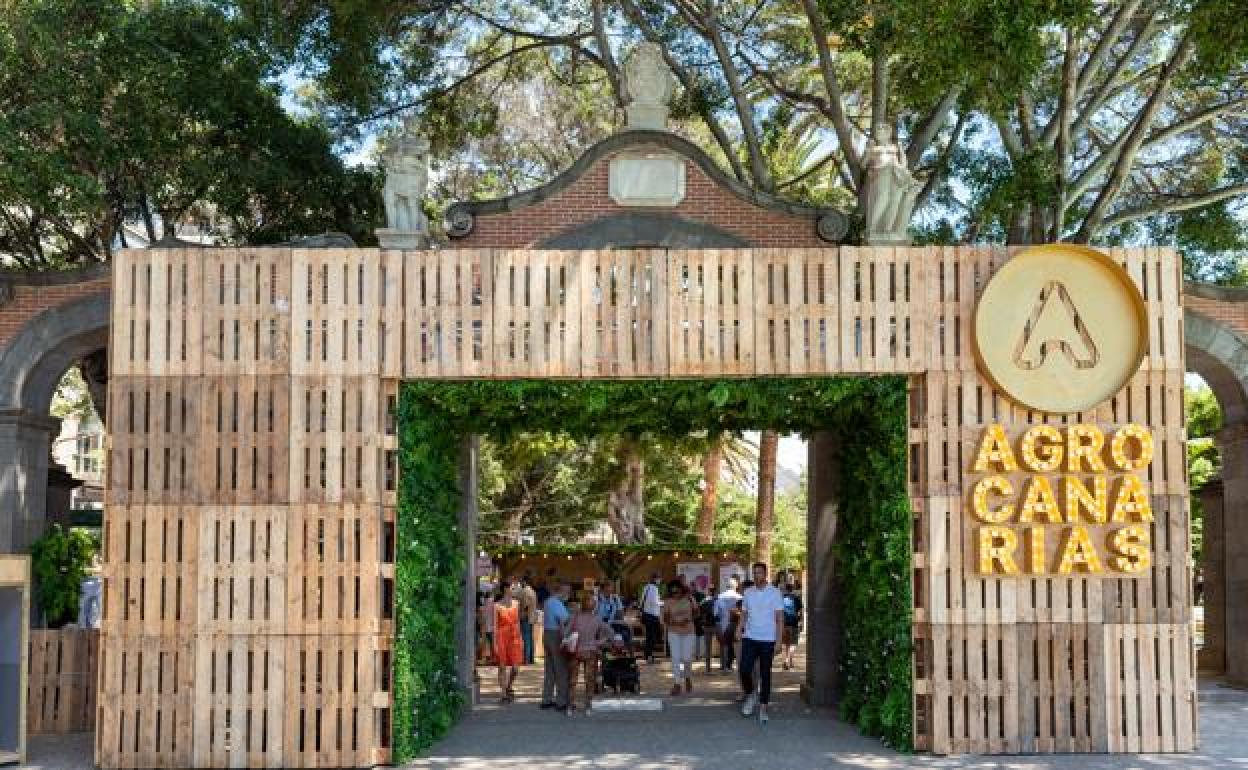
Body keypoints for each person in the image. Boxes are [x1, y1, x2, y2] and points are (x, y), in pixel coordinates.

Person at [737, 563, 785, 724]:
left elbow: (780, 619)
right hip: (750, 637)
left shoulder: (775, 593)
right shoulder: (748, 593)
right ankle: (751, 695)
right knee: (744, 669)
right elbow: (743, 614)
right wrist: (739, 629)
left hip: (768, 639)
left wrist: (778, 641)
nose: (757, 575)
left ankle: (763, 707)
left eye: (759, 573)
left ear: (765, 574)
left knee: (765, 674)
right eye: (754, 573)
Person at [565, 592, 612, 714]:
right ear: (593, 606)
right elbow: (610, 633)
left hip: (575, 651)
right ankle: (588, 706)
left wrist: (569, 639)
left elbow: (566, 633)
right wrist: (599, 642)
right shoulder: (597, 619)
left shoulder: (574, 617)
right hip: (591, 651)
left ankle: (570, 706)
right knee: (589, 679)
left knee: (572, 680)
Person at [540, 581, 572, 712]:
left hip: (546, 634)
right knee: (561, 669)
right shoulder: (558, 604)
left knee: (549, 669)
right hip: (555, 636)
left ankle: (546, 699)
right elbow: (563, 621)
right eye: (568, 592)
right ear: (562, 591)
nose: (569, 595)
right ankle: (561, 701)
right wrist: (565, 638)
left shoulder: (548, 601)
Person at [662, 579, 698, 696]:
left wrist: (689, 618)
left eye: (677, 592)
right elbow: (665, 619)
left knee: (687, 657)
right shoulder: (668, 601)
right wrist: (676, 623)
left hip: (689, 631)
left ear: (682, 590)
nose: (675, 594)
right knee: (675, 658)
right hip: (674, 632)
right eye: (673, 592)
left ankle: (687, 677)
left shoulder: (689, 598)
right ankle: (677, 683)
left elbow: (697, 613)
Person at [493, 580, 524, 703]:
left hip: (514, 636)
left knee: (516, 668)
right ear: (505, 589)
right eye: (512, 588)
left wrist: (521, 638)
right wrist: (495, 642)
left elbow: (518, 622)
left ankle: (509, 685)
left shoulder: (517, 603)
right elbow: (495, 625)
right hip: (501, 636)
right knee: (502, 666)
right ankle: (503, 693)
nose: (514, 590)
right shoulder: (496, 605)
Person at [715, 578, 742, 672]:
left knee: (724, 644)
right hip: (737, 623)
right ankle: (735, 665)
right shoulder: (739, 597)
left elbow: (716, 613)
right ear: (736, 586)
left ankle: (724, 665)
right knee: (736, 645)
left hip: (723, 623)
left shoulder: (720, 596)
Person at [780, 582, 804, 671]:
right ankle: (787, 660)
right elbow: (800, 612)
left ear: (785, 589)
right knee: (793, 643)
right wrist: (801, 622)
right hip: (793, 623)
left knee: (785, 644)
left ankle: (788, 661)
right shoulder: (797, 599)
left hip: (783, 624)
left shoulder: (780, 599)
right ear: (792, 589)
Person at [640, 573, 663, 663]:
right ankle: (649, 655)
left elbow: (642, 600)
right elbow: (655, 602)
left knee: (650, 636)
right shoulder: (654, 588)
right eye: (659, 579)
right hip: (652, 615)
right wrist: (663, 603)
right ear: (655, 579)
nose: (660, 580)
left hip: (646, 614)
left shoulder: (646, 587)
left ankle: (648, 655)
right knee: (653, 636)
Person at [518, 575, 538, 665]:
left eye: (522, 581)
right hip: (532, 617)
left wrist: (521, 612)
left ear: (525, 582)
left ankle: (526, 659)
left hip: (526, 617)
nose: (521, 583)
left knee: (526, 638)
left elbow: (525, 604)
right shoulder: (533, 591)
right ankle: (531, 658)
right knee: (530, 638)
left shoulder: (525, 591)